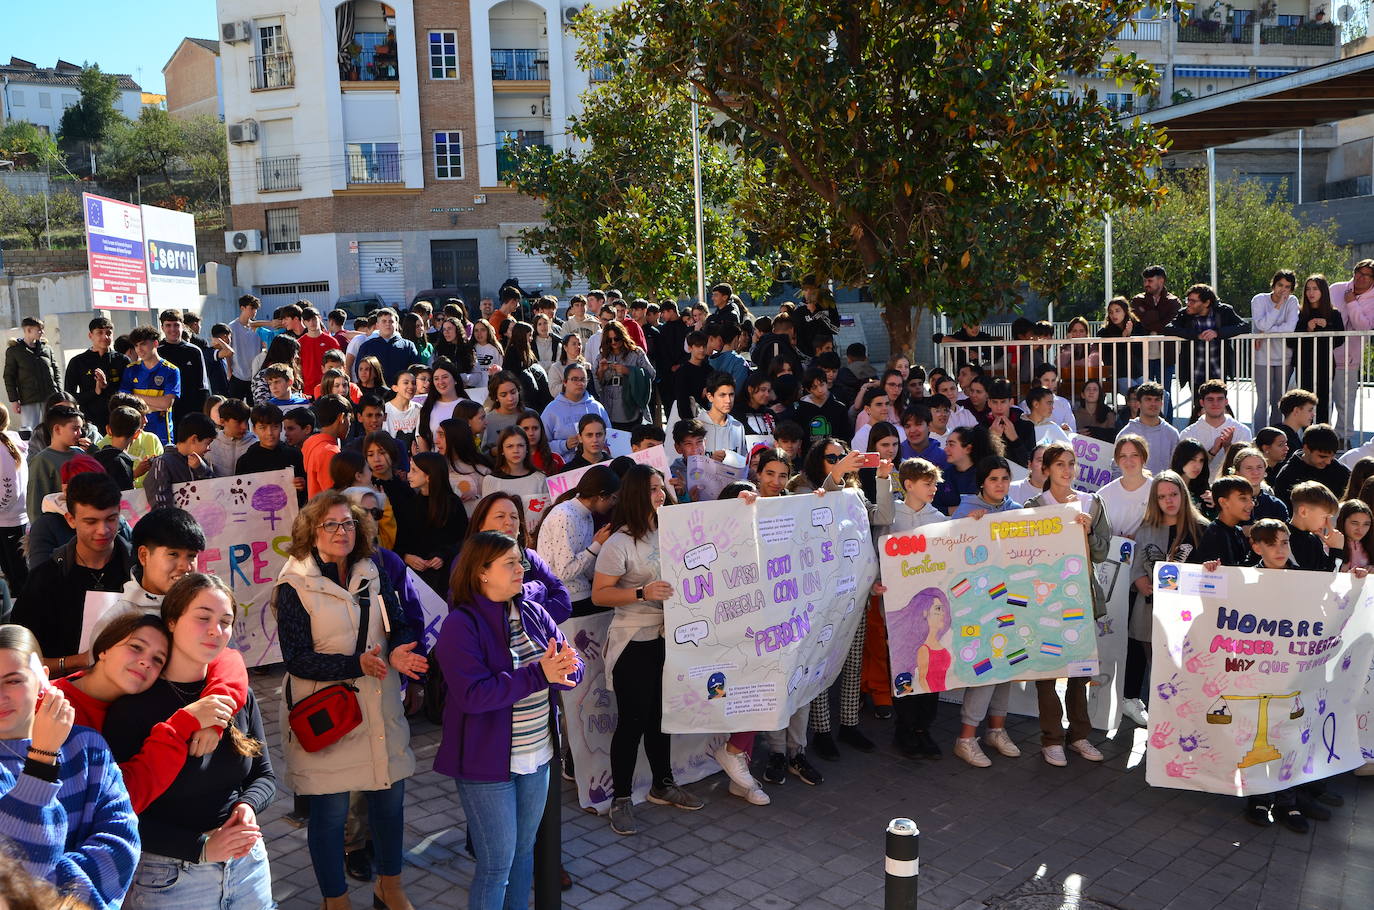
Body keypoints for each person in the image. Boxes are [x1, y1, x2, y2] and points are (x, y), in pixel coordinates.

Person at [274, 492, 427, 910]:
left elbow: (397, 621)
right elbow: (298, 659)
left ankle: (389, 887)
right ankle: (335, 900)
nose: (341, 532)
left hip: (379, 705)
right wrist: (356, 664)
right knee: (329, 815)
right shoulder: (294, 584)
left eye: (348, 524)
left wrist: (397, 649)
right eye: (330, 525)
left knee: (389, 801)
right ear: (312, 531)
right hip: (327, 714)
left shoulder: (372, 569)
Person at [102, 573, 275, 908]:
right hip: (168, 877)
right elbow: (119, 812)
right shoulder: (133, 707)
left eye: (225, 621)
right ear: (171, 620)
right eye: (203, 618)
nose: (216, 630)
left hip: (246, 863)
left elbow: (264, 776)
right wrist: (201, 848)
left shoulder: (238, 695)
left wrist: (247, 806)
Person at [436, 528, 581, 910]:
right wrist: (540, 675)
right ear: (482, 572)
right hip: (486, 766)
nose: (523, 568)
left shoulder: (533, 611)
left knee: (523, 856)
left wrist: (567, 670)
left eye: (521, 560)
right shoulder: (460, 625)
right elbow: (473, 695)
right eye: (511, 563)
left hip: (538, 757)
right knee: (496, 865)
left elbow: (571, 661)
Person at [592, 465, 703, 834]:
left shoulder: (671, 529)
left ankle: (662, 784)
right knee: (633, 721)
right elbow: (600, 593)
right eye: (654, 488)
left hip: (669, 637)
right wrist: (641, 592)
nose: (661, 493)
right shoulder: (619, 542)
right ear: (638, 493)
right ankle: (620, 798)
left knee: (662, 715)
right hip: (632, 639)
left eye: (662, 488)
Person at [0, 624, 139, 908]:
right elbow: (13, 874)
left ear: (42, 679)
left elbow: (123, 845)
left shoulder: (86, 746)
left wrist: (40, 891)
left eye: (13, 680)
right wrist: (41, 760)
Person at [1022, 443, 1109, 767]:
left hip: (1080, 596)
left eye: (1071, 463)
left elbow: (1101, 551)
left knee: (1079, 668)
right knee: (1047, 669)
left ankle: (1079, 735)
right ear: (1045, 469)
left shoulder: (1091, 503)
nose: (1067, 470)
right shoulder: (1035, 505)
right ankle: (1051, 738)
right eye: (1059, 464)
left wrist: (1087, 532)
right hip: (1046, 598)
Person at [15, 471, 133, 675]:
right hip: (65, 691)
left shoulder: (140, 571)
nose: (103, 530)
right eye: (91, 522)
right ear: (71, 519)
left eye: (111, 519)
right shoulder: (46, 578)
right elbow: (20, 658)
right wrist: (74, 662)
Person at [1128, 471, 1207, 727]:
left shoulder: (1201, 529)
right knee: (1157, 665)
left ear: (1183, 495)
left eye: (1173, 494)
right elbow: (1137, 562)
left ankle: (1185, 716)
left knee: (1184, 665)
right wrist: (1139, 579)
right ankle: (1161, 717)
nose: (1168, 501)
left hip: (1189, 612)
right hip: (1152, 609)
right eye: (1162, 496)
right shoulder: (1147, 528)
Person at [537, 466, 620, 617]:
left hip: (580, 592)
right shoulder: (565, 515)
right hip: (564, 598)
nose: (613, 504)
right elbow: (565, 572)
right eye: (613, 498)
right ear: (601, 495)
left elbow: (586, 571)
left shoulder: (586, 515)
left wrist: (597, 547)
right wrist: (596, 545)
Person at [394, 451, 469, 598]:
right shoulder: (410, 504)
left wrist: (443, 556)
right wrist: (406, 557)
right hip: (415, 578)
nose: (409, 475)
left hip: (447, 577)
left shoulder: (452, 504)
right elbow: (400, 540)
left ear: (429, 476)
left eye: (414, 470)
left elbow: (464, 539)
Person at [1165, 284, 1248, 396]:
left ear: (1207, 303)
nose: (1188, 304)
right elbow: (1168, 328)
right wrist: (1195, 335)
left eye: (1193, 301)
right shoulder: (1184, 313)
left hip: (1218, 369)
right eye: (1187, 300)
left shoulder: (1224, 311)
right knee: (1198, 406)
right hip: (1195, 370)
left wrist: (1218, 333)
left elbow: (1244, 326)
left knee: (1218, 404)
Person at [1329, 261, 1374, 442]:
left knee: (1345, 402)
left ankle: (1343, 438)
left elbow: (1364, 327)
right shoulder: (1335, 289)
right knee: (1320, 400)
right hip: (1323, 355)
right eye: (1358, 273)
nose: (1361, 278)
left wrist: (1351, 304)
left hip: (1348, 359)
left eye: (1367, 275)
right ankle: (1319, 437)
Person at [1250, 270, 1300, 430]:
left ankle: (1276, 435)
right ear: (1273, 284)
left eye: (1287, 287)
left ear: (1292, 289)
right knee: (1263, 400)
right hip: (1262, 357)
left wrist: (1265, 334)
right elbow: (1261, 325)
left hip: (1285, 357)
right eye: (1280, 285)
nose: (1283, 290)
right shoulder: (1259, 300)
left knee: (1279, 400)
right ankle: (1259, 436)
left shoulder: (1292, 301)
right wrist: (1278, 306)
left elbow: (1290, 328)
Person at [1292, 275, 1345, 427]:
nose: (1311, 292)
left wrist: (1326, 327)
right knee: (1305, 402)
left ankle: (1322, 439)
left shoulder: (1334, 314)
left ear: (1323, 291)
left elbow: (1340, 340)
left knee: (1323, 401)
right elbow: (1291, 341)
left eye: (1315, 288)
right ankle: (1307, 439)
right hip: (1304, 364)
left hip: (1325, 364)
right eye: (1308, 289)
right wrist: (1307, 329)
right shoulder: (1300, 313)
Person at [65, 317, 129, 436]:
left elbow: (129, 393)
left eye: (108, 333)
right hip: (89, 421)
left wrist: (106, 387)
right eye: (100, 332)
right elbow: (70, 396)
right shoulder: (78, 362)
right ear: (90, 335)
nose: (105, 337)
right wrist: (95, 392)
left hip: (118, 420)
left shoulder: (122, 360)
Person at [1181, 379, 1253, 481]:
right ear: (1202, 402)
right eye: (1210, 399)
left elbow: (1246, 466)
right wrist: (1212, 451)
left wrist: (1228, 447)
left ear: (1226, 401)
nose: (1215, 403)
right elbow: (1186, 470)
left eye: (1220, 399)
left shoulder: (1243, 431)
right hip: (1199, 490)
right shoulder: (1188, 434)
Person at [120, 325, 181, 446]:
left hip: (162, 434)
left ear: (155, 343)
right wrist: (155, 405)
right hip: (136, 432)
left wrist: (134, 396)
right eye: (136, 345)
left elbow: (166, 403)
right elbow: (124, 401)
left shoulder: (171, 370)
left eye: (143, 344)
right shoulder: (130, 369)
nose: (139, 349)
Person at [143, 412, 217, 510]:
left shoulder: (201, 462)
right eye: (207, 443)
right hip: (176, 523)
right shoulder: (163, 463)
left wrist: (201, 468)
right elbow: (161, 506)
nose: (209, 448)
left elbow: (216, 491)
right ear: (194, 439)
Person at [482, 428, 550, 530]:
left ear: (527, 449)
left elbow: (546, 512)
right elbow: (488, 516)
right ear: (502, 450)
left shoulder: (540, 478)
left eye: (520, 445)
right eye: (510, 446)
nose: (516, 451)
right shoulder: (491, 480)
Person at [25, 405, 83, 525]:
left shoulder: (80, 453)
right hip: (57, 529)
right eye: (75, 429)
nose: (80, 433)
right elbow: (35, 505)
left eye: (81, 428)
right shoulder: (41, 461)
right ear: (57, 429)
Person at [156, 310, 212, 434]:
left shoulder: (194, 351)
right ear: (162, 328)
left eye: (176, 325)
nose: (173, 329)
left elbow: (203, 387)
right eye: (168, 325)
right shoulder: (157, 352)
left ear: (182, 326)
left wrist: (203, 414)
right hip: (165, 412)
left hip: (190, 410)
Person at [4, 317, 62, 433]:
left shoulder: (47, 349)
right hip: (28, 399)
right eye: (39, 330)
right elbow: (9, 377)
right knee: (30, 432)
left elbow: (56, 372)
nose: (42, 332)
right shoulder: (14, 351)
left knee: (52, 430)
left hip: (49, 397)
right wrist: (14, 400)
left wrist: (59, 394)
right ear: (29, 330)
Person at [1271, 424, 1350, 508]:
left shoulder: (1340, 472)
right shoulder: (1287, 475)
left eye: (1332, 457)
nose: (1328, 462)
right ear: (1306, 449)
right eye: (1322, 456)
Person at [594, 322, 653, 431]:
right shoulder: (601, 356)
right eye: (609, 340)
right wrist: (601, 370)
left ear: (622, 336)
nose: (613, 342)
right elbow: (596, 384)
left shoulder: (636, 353)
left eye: (616, 339)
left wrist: (629, 371)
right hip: (608, 404)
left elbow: (651, 374)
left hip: (631, 405)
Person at [1096, 435, 1152, 538]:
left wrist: (1138, 537)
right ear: (1117, 460)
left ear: (1143, 457)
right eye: (1123, 456)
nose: (1128, 460)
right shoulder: (1103, 495)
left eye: (1134, 455)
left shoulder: (1157, 490)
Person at [1196, 476, 1255, 566]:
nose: (1251, 504)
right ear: (1223, 502)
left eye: (1251, 498)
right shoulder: (1215, 533)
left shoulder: (1237, 531)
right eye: (1243, 498)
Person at [1230, 446, 1289, 524]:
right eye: (1249, 468)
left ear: (1265, 471)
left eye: (1259, 467)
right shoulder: (1229, 503)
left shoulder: (1276, 505)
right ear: (1237, 473)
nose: (1255, 472)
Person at [1335, 500, 1372, 571]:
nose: (1360, 529)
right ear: (1342, 521)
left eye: (1366, 524)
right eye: (1354, 523)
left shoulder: (1370, 545)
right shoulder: (1330, 547)